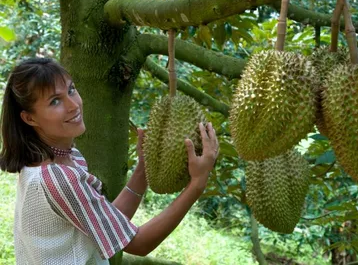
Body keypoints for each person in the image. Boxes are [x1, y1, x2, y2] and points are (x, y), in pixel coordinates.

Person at [0, 58, 219, 265]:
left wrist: (142, 170)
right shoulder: (59, 178)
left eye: (71, 90)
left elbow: (104, 225)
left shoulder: (62, 159)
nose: (73, 105)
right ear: (30, 118)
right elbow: (139, 244)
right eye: (55, 101)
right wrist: (197, 184)